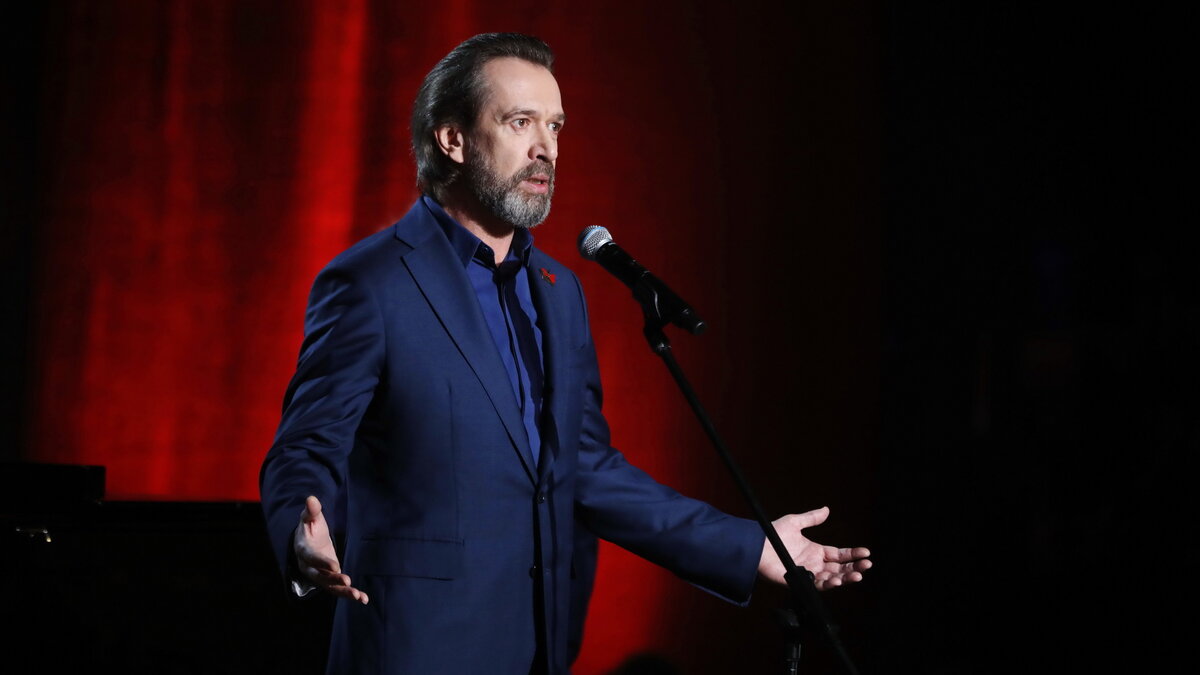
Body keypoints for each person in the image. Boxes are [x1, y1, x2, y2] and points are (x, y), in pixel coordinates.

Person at [260, 32, 870, 675]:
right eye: (520, 122)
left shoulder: (559, 292)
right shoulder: (371, 282)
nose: (546, 148)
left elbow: (588, 470)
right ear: (453, 140)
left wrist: (752, 549)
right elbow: (306, 447)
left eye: (554, 126)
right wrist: (302, 532)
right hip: (417, 647)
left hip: (539, 647)